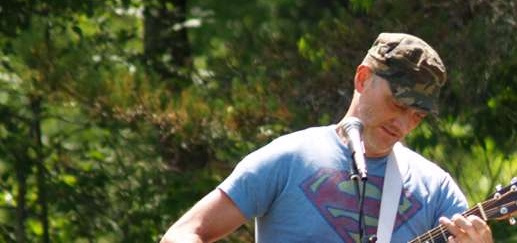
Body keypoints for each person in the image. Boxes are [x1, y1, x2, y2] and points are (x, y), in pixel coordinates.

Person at [161, 33, 492, 243]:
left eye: (417, 115)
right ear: (363, 79)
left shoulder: (437, 190)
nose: (404, 123)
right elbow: (184, 233)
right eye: (398, 104)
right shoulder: (290, 158)